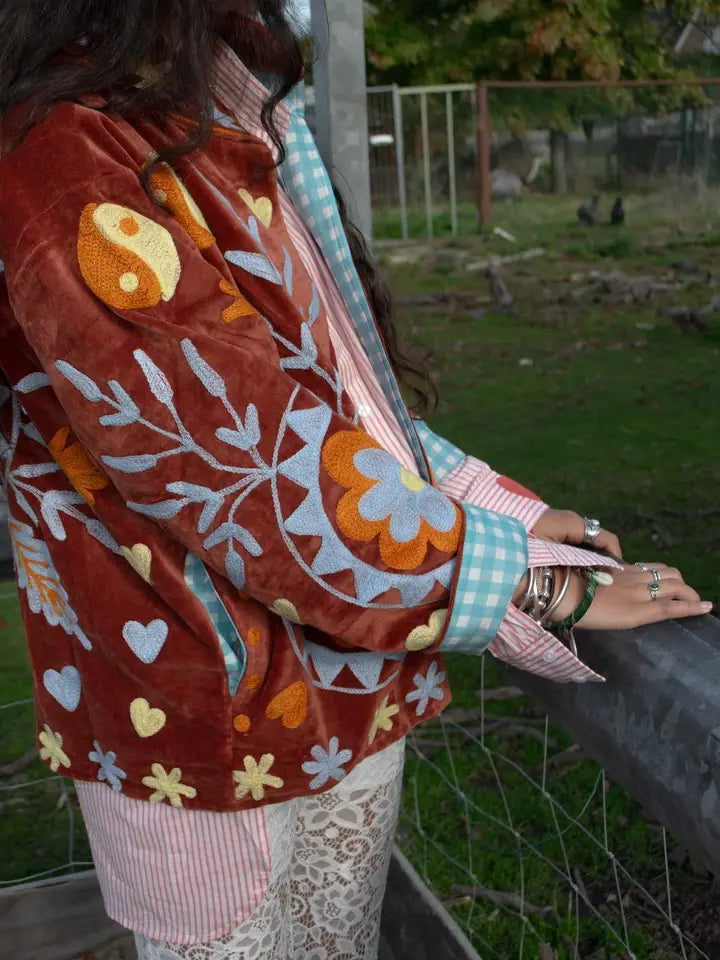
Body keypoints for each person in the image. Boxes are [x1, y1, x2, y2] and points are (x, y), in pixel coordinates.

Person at [0, 2, 711, 958]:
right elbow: (249, 465)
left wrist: (501, 506)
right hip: (200, 729)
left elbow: (328, 399)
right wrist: (530, 584)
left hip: (347, 689)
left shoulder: (210, 102)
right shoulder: (65, 148)